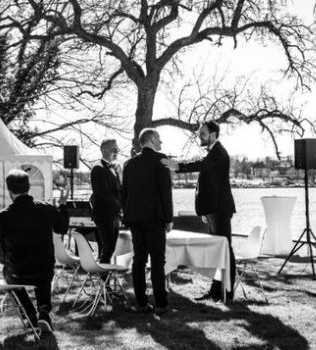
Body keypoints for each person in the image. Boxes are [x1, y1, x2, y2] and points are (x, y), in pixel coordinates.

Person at [162, 120, 236, 302]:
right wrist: (205, 211)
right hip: (213, 210)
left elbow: (200, 164)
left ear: (213, 134)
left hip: (220, 210)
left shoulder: (218, 152)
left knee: (225, 250)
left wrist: (178, 166)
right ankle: (216, 291)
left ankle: (227, 294)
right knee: (219, 250)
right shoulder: (213, 152)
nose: (199, 137)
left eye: (202, 133)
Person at [0, 169, 69, 332]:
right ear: (28, 187)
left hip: (17, 271)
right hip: (44, 270)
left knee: (9, 274)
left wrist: (9, 261)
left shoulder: (2, 216)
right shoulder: (46, 209)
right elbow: (62, 228)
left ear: (9, 190)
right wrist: (62, 205)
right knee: (43, 272)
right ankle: (43, 311)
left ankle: (29, 314)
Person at [121, 128, 173, 315]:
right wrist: (169, 218)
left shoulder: (129, 164)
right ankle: (161, 303)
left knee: (139, 260)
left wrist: (126, 214)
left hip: (134, 218)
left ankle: (141, 303)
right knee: (158, 260)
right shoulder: (161, 160)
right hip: (154, 218)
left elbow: (124, 193)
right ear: (150, 140)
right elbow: (165, 191)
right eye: (158, 139)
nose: (161, 142)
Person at [90, 139, 121, 266]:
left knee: (111, 246)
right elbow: (104, 194)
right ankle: (103, 277)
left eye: (117, 150)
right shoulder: (98, 168)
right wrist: (120, 207)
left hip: (113, 214)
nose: (116, 152)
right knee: (108, 246)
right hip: (104, 214)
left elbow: (119, 191)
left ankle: (104, 274)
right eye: (113, 149)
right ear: (103, 150)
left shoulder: (113, 168)